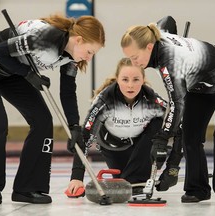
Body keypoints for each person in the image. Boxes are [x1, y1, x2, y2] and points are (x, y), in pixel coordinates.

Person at [120, 16, 215, 205]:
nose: (133, 62)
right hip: (201, 84)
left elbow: (176, 102)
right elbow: (168, 20)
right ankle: (197, 189)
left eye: (135, 57)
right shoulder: (155, 33)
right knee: (191, 134)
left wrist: (163, 137)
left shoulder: (170, 61)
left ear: (149, 47)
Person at [0, 14, 105, 204]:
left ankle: (27, 188)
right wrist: (28, 74)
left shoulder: (72, 59)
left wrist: (74, 126)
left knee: (42, 121)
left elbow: (67, 92)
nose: (89, 58)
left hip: (11, 72)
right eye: (89, 51)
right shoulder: (45, 37)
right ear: (79, 40)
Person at [65, 57, 183, 197]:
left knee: (159, 122)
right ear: (117, 79)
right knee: (127, 183)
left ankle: (137, 177)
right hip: (113, 147)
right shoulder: (105, 100)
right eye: (125, 79)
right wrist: (76, 178)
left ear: (143, 80)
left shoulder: (152, 100)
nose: (130, 86)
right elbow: (84, 137)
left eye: (136, 80)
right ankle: (134, 178)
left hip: (141, 147)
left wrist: (172, 169)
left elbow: (179, 125)